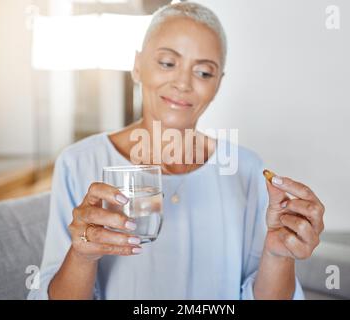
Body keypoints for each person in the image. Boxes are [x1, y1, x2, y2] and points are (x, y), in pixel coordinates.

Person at [28, 2, 324, 300]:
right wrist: (82, 255)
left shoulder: (245, 169)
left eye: (204, 72)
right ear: (137, 65)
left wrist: (278, 255)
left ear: (218, 84)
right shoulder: (78, 163)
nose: (183, 83)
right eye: (168, 63)